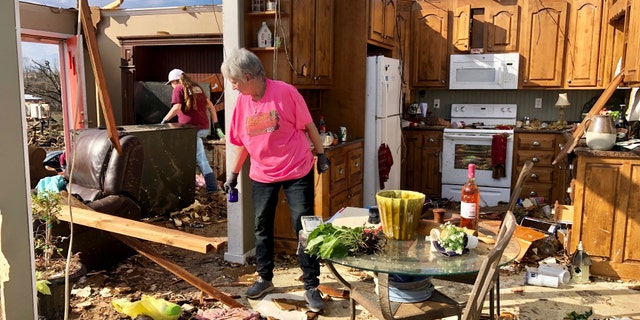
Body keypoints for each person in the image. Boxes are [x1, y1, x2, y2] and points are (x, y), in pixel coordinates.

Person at [220, 48, 331, 312]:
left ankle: (311, 285)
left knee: (304, 227)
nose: (233, 87)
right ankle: (265, 277)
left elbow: (309, 126)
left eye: (234, 81)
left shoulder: (286, 92)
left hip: (296, 169)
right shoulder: (243, 104)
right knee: (261, 225)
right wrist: (233, 174)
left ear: (248, 77)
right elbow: (243, 144)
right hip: (262, 174)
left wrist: (321, 154)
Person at [161, 69, 223, 193]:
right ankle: (195, 185)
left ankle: (210, 188)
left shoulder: (179, 88)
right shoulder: (197, 87)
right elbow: (210, 106)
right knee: (190, 156)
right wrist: (216, 126)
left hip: (189, 130)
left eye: (171, 83)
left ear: (175, 80)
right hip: (203, 128)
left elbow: (176, 107)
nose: (172, 86)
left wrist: (163, 121)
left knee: (199, 159)